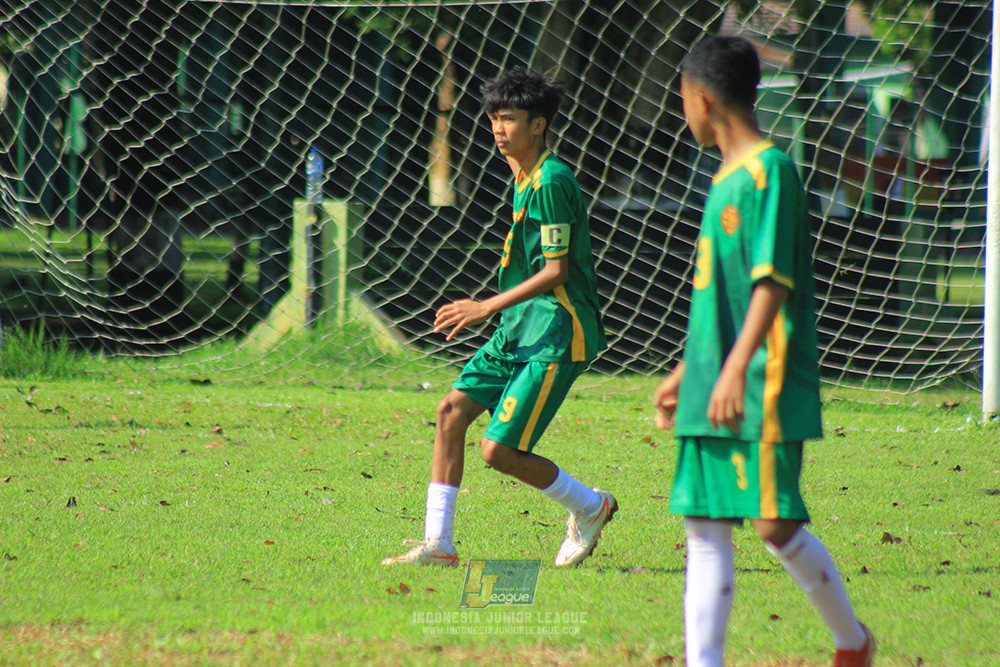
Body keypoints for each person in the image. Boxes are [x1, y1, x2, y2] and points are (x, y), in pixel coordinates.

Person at [651, 36, 876, 667]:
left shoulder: (770, 172)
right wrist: (687, 372)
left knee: (774, 526)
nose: (683, 112)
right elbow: (716, 300)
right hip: (715, 379)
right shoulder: (722, 179)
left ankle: (852, 641)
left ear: (699, 96)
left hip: (763, 377)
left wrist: (729, 373)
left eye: (682, 100)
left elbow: (771, 284)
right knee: (704, 524)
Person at [383, 68, 616, 569]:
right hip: (518, 329)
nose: (497, 129)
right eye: (493, 119)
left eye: (508, 119)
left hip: (555, 333)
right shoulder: (522, 175)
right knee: (450, 412)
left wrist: (484, 306)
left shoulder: (552, 180)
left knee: (498, 452)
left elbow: (555, 271)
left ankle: (591, 507)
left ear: (539, 125)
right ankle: (439, 545)